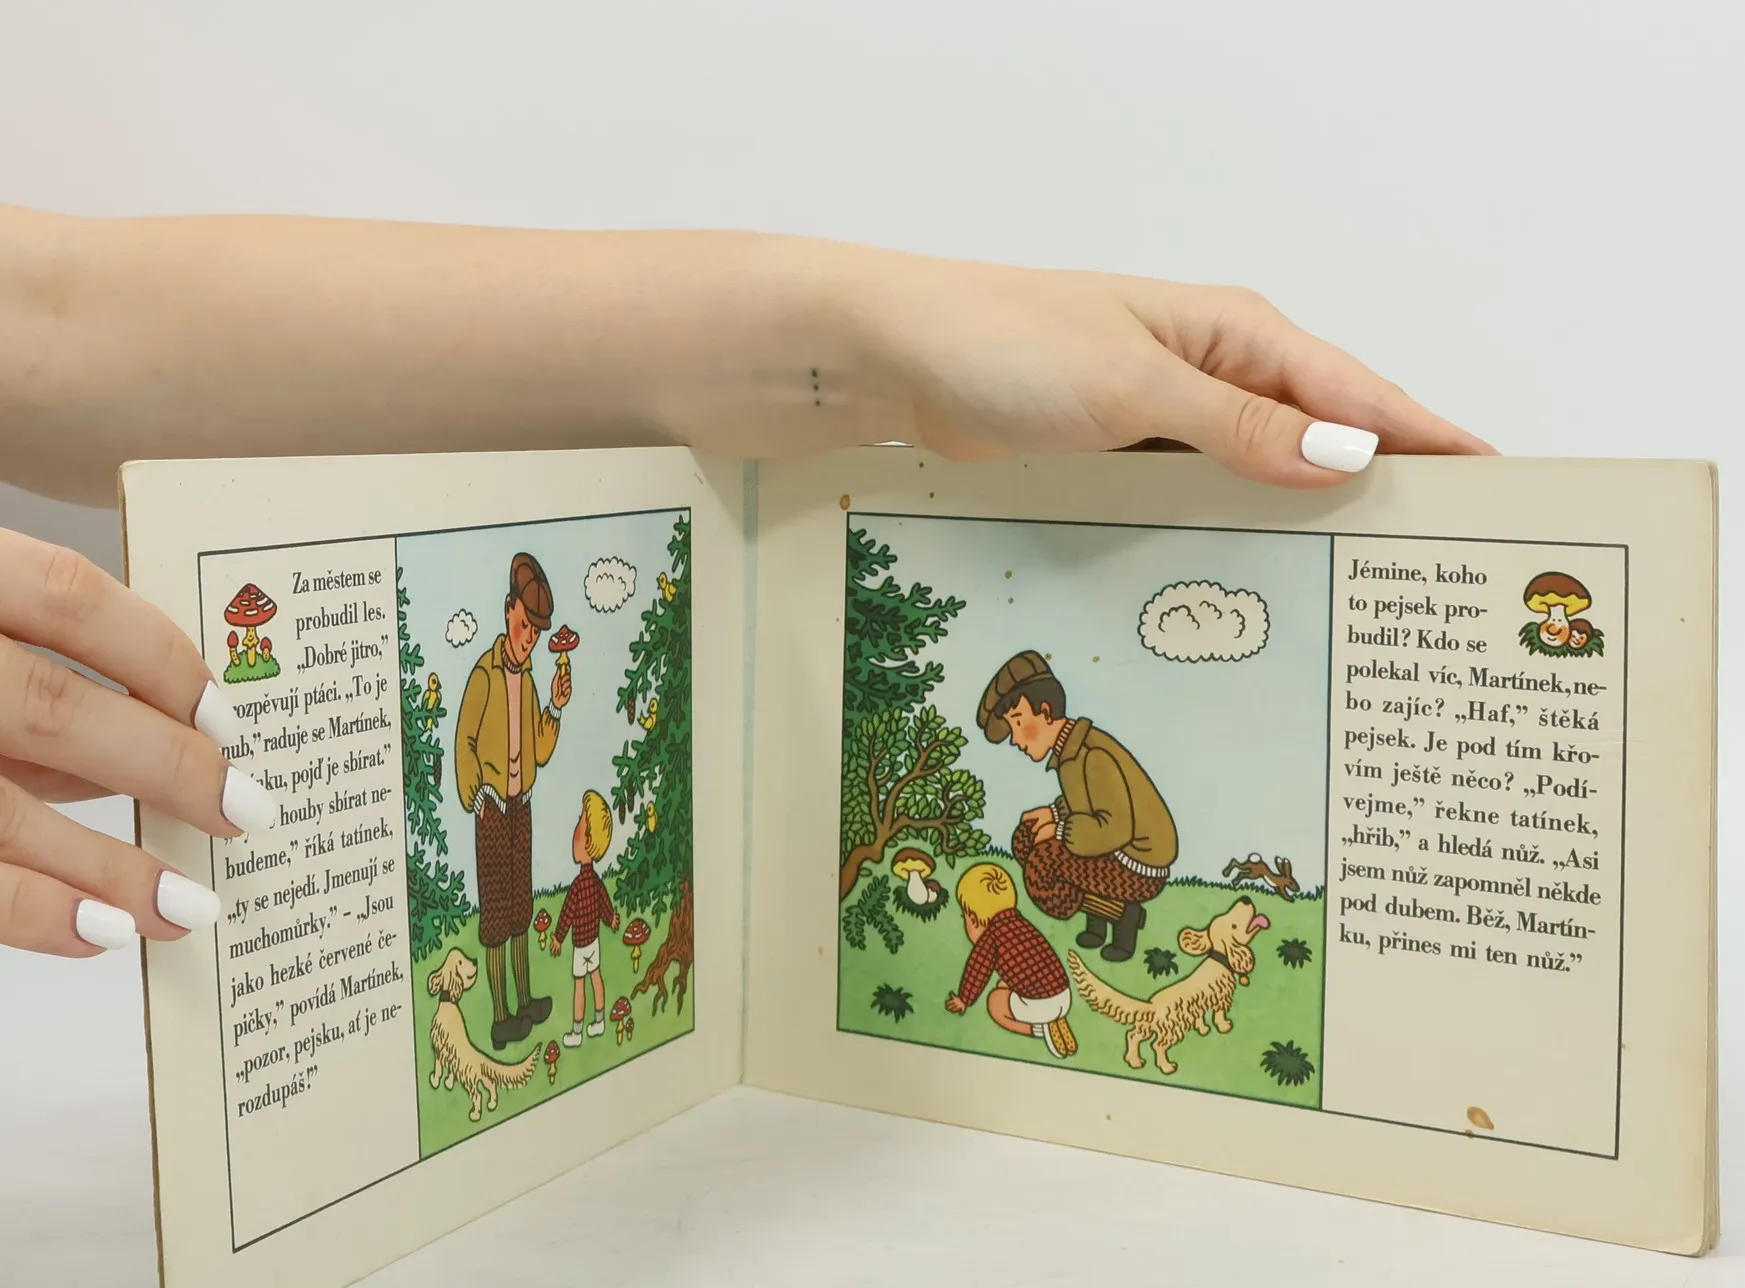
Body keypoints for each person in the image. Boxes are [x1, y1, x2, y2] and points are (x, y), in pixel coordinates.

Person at [0, 202, 1492, 961]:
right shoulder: (493, 687)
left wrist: (882, 340)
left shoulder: (1088, 756)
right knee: (505, 910)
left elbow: (50, 322)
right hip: (497, 805)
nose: (1026, 742)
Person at [977, 651, 1174, 964]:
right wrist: (1053, 814)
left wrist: (1057, 831)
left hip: (1138, 863)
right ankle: (1098, 923)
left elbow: (1115, 828)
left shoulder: (1092, 755)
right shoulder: (1071, 751)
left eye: (1018, 723)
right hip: (1112, 848)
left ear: (1045, 711)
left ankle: (1123, 915)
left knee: (1043, 864)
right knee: (1027, 838)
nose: (1014, 739)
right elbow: (1084, 804)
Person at [453, 551, 571, 1049]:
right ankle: (501, 1015)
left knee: (522, 905)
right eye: (524, 626)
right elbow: (464, 742)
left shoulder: (529, 679)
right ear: (508, 612)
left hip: (521, 807)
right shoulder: (485, 675)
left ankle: (525, 1001)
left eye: (535, 634)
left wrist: (556, 707)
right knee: (497, 915)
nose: (528, 640)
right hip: (493, 810)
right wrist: (477, 791)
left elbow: (539, 749)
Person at [944, 862, 1077, 1059]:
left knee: (995, 1002)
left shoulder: (991, 936)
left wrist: (964, 999)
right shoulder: (1022, 924)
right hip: (1063, 995)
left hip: (1040, 1004)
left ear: (973, 918)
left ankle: (1039, 1029)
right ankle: (1055, 1018)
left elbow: (978, 969)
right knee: (1003, 983)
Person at [552, 790, 618, 1046]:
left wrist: (558, 938)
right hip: (594, 942)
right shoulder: (596, 881)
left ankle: (577, 1032)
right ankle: (599, 1021)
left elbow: (567, 914)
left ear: (587, 840)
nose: (574, 831)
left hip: (582, 945)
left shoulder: (579, 885)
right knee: (596, 977)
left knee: (579, 984)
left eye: (580, 822)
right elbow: (605, 904)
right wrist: (611, 919)